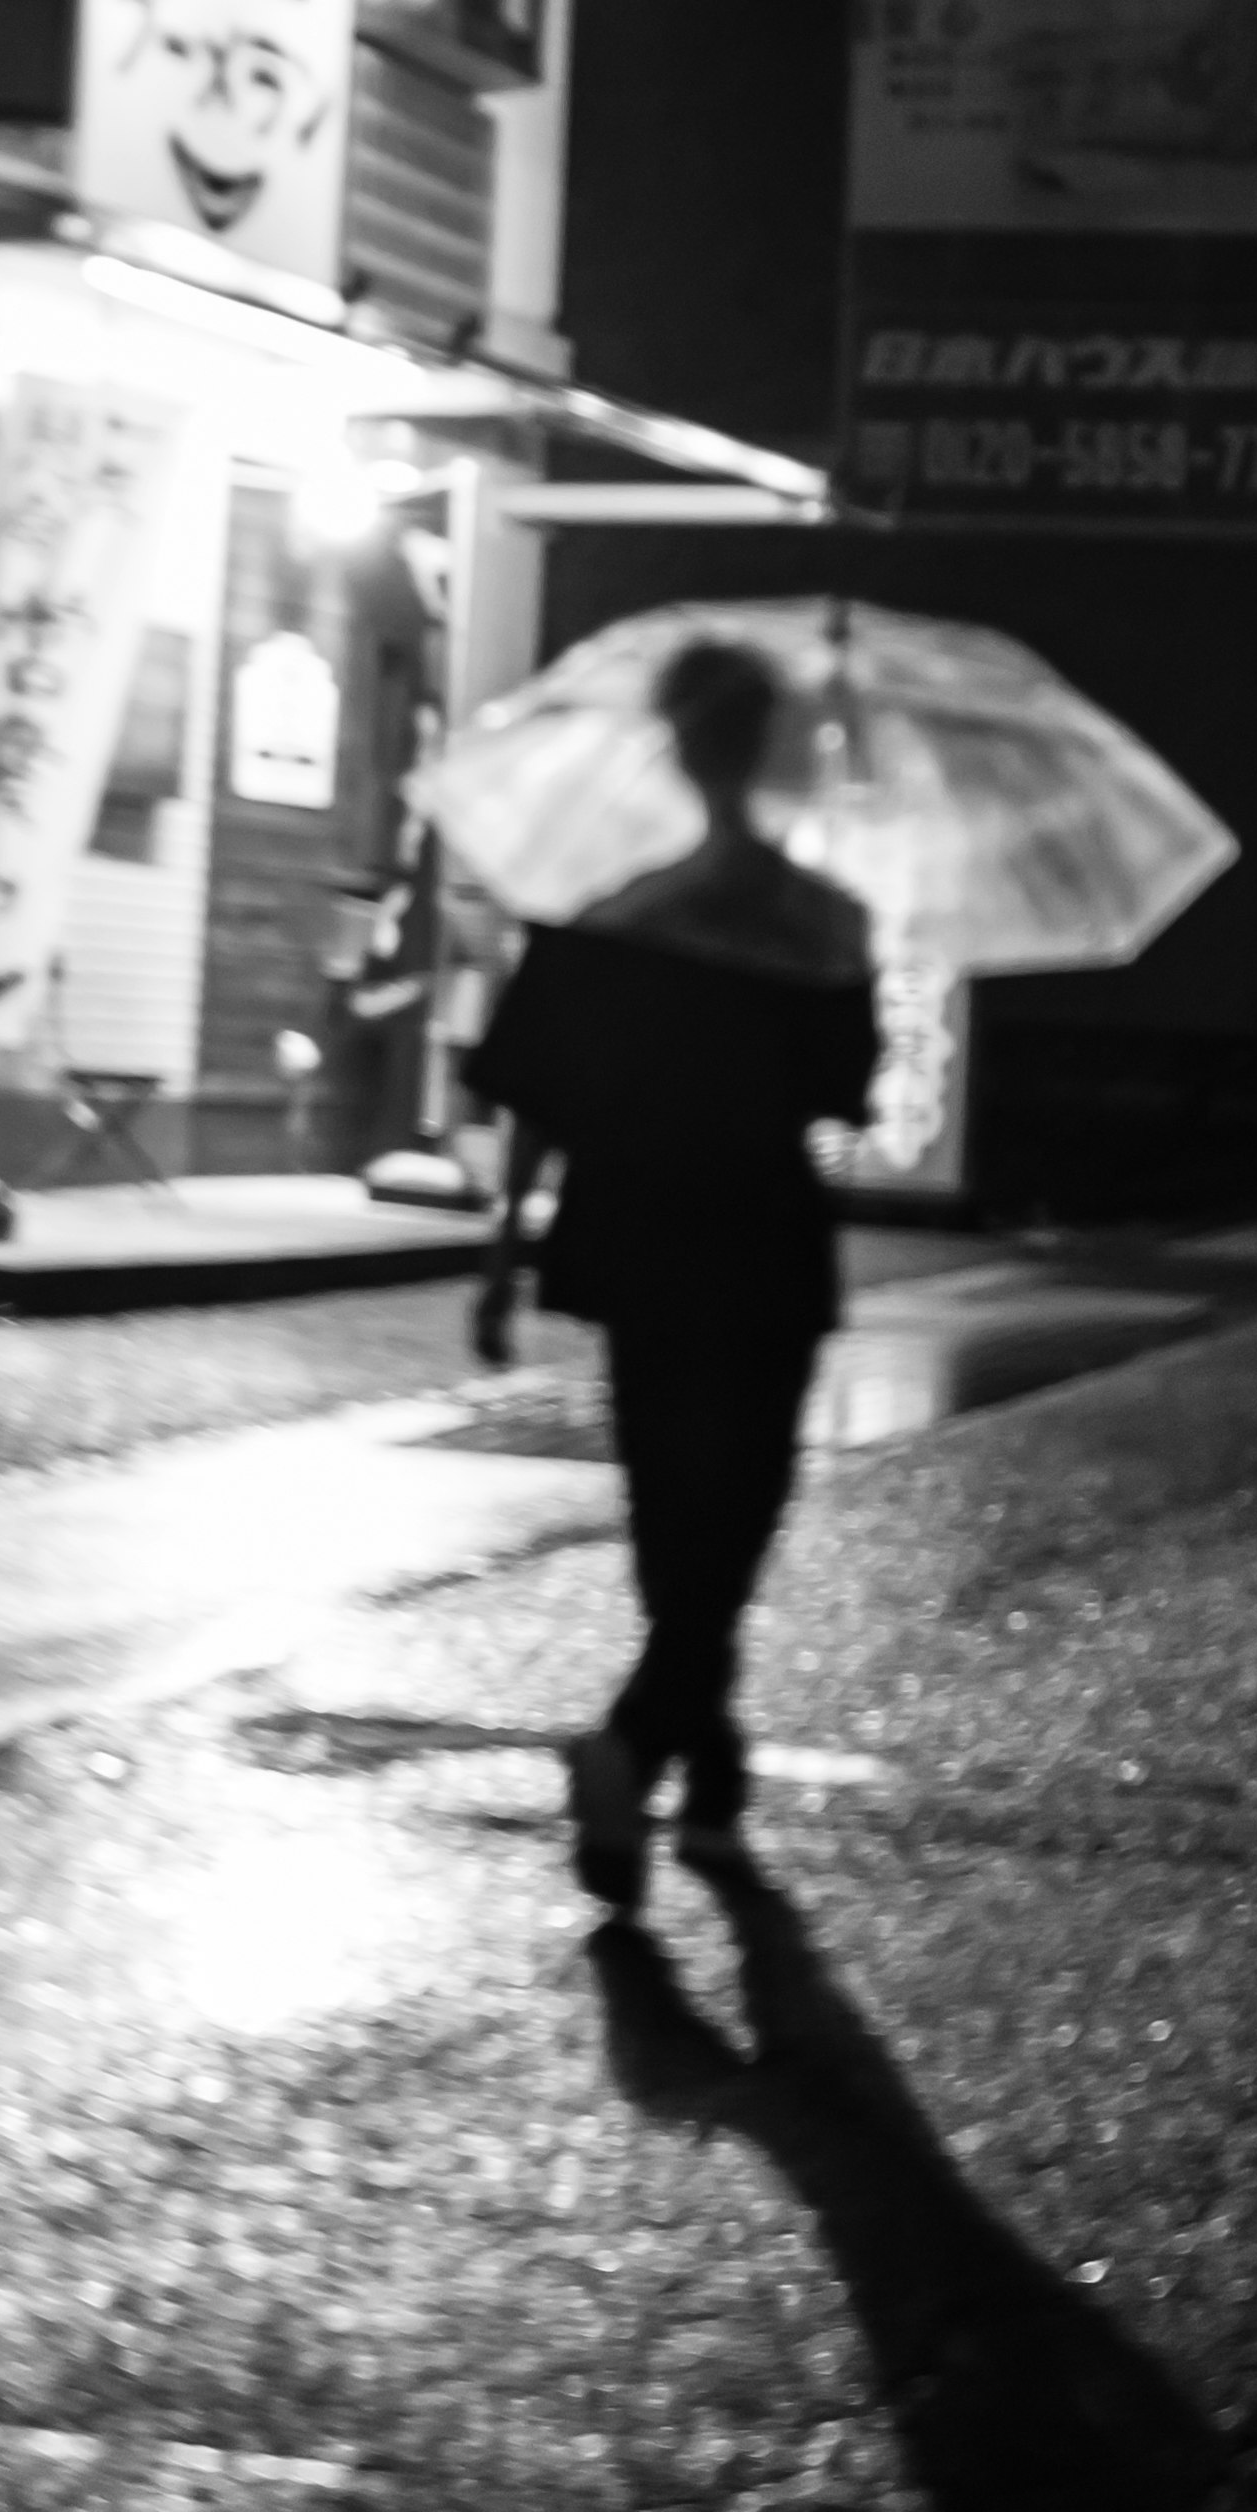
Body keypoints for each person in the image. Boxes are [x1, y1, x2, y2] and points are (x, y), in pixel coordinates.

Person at [463, 634, 873, 1909]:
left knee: (666, 1504)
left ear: (674, 747)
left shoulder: (615, 912)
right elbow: (844, 1092)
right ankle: (638, 1746)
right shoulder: (822, 922)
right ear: (770, 751)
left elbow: (535, 1090)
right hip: (760, 1226)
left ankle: (707, 1757)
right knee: (741, 1504)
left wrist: (505, 1247)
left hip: (632, 1227)